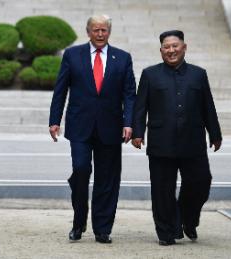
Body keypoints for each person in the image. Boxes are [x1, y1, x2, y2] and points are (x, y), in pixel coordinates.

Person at [49, 14, 136, 243]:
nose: (99, 34)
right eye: (95, 30)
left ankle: (102, 229)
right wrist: (54, 119)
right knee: (80, 169)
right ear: (88, 31)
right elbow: (61, 90)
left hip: (111, 126)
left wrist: (129, 123)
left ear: (109, 32)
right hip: (80, 126)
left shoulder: (123, 58)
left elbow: (129, 94)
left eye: (104, 30)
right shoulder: (72, 55)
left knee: (107, 178)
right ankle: (79, 222)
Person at [131, 30, 222, 245]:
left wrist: (215, 134)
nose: (171, 50)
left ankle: (188, 219)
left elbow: (208, 106)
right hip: (161, 141)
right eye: (166, 47)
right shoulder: (150, 74)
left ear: (184, 47)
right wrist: (137, 132)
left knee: (201, 182)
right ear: (161, 50)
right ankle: (166, 232)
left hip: (193, 141)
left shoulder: (198, 74)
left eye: (175, 46)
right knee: (162, 190)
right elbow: (140, 106)